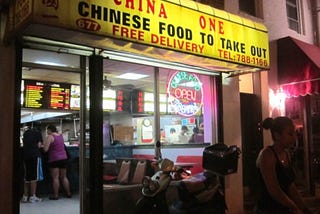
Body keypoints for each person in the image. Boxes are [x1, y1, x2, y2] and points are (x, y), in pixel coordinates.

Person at [254, 117, 312, 214]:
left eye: (294, 133)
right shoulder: (267, 155)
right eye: (290, 134)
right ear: (277, 135)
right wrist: (294, 207)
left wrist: (304, 208)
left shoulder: (286, 154)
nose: (294, 138)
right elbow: (274, 189)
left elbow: (290, 185)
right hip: (267, 210)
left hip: (283, 208)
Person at [43, 124, 72, 200]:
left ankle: (56, 195)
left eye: (47, 130)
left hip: (54, 159)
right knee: (64, 177)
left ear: (49, 130)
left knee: (55, 178)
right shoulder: (60, 136)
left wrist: (42, 146)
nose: (47, 132)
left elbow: (45, 149)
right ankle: (68, 193)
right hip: (63, 158)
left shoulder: (50, 137)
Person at [21, 125, 43, 203]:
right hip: (34, 155)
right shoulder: (38, 133)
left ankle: (25, 196)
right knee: (34, 176)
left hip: (26, 155)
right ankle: (33, 196)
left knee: (27, 176)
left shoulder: (25, 133)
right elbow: (39, 145)